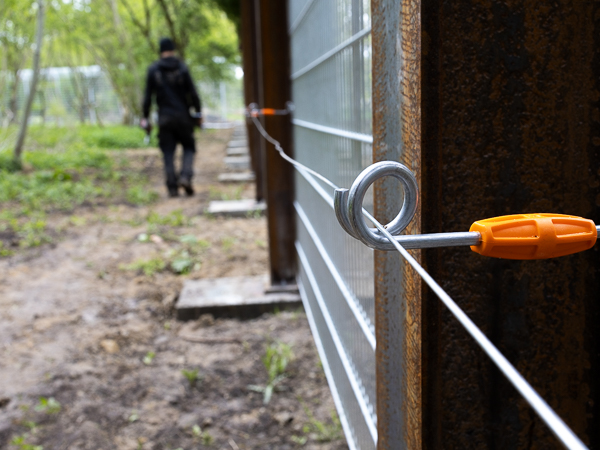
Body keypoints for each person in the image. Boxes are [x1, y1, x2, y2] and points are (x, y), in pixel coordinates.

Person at [141, 37, 202, 197]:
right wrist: (198, 113)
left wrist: (145, 118)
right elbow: (193, 93)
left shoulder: (153, 70)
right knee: (189, 147)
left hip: (164, 118)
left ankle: (172, 187)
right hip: (183, 117)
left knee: (168, 152)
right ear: (173, 50)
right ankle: (185, 176)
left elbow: (147, 97)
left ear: (160, 51)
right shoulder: (182, 68)